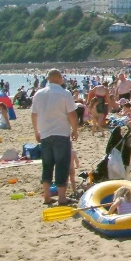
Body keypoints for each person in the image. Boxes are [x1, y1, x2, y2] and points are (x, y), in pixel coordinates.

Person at [31, 69, 79, 206]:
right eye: (62, 76)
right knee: (61, 164)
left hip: (45, 133)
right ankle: (62, 197)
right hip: (61, 133)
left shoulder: (38, 94)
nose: (63, 79)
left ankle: (47, 196)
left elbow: (34, 115)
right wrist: (75, 130)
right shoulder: (65, 93)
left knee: (47, 164)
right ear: (57, 78)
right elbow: (72, 114)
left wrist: (36, 131)